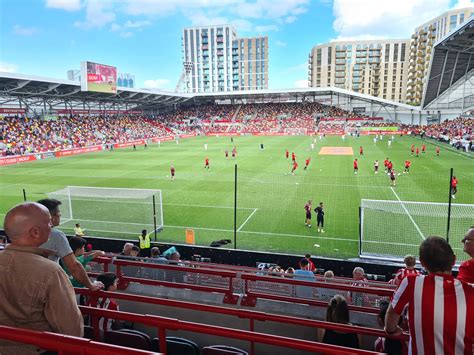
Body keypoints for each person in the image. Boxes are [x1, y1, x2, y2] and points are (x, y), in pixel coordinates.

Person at [0, 203, 83, 354]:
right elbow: (71, 330)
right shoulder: (50, 271)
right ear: (35, 232)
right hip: (37, 349)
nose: (52, 225)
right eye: (48, 221)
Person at [385, 236, 474, 354]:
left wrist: (391, 330)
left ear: (422, 262)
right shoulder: (470, 291)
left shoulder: (411, 282)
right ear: (454, 260)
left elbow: (392, 315)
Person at [37, 199, 102, 291]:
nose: (60, 214)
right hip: (45, 287)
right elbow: (73, 266)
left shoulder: (23, 232)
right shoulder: (56, 235)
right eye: (58, 212)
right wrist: (90, 285)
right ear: (51, 217)